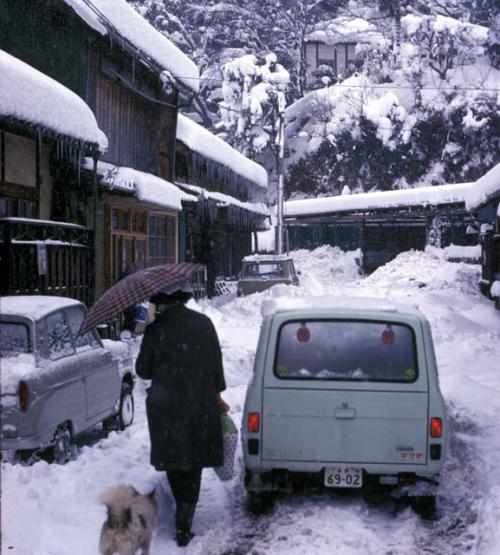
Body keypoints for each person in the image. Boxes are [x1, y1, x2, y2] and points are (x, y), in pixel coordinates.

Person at [135, 280, 229, 547]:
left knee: (176, 459)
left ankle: (180, 514)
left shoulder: (156, 329)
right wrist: (216, 392)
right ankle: (184, 521)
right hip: (199, 403)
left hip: (166, 407)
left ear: (162, 302)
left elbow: (143, 370)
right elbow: (216, 364)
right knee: (194, 460)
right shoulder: (204, 324)